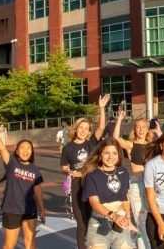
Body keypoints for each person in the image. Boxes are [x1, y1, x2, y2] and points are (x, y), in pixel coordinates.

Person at [0, 116, 46, 249]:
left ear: (32, 151)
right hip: (12, 209)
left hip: (30, 209)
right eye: (22, 148)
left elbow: (38, 191)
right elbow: (2, 148)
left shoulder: (35, 170)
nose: (26, 151)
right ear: (17, 151)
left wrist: (42, 210)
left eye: (29, 148)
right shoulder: (12, 163)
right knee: (9, 244)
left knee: (30, 242)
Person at [61, 95, 111, 249]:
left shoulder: (91, 143)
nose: (83, 131)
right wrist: (71, 172)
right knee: (81, 224)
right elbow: (63, 167)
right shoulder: (68, 147)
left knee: (91, 220)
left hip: (92, 186)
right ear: (76, 129)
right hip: (77, 186)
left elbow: (102, 127)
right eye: (80, 128)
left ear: (89, 131)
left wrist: (101, 108)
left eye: (86, 129)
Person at [81, 137, 139, 249]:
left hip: (120, 223)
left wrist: (128, 219)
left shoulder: (123, 172)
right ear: (100, 154)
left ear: (119, 155)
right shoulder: (92, 176)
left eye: (114, 153)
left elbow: (125, 197)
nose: (110, 157)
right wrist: (113, 216)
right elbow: (94, 204)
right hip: (99, 223)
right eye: (106, 153)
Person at [114, 102, 155, 249]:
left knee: (153, 217)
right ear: (134, 129)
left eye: (144, 127)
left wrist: (160, 133)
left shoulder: (152, 145)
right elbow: (116, 138)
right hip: (136, 184)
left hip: (152, 185)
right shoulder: (131, 145)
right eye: (138, 127)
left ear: (147, 129)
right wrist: (120, 119)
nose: (141, 129)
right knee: (140, 219)